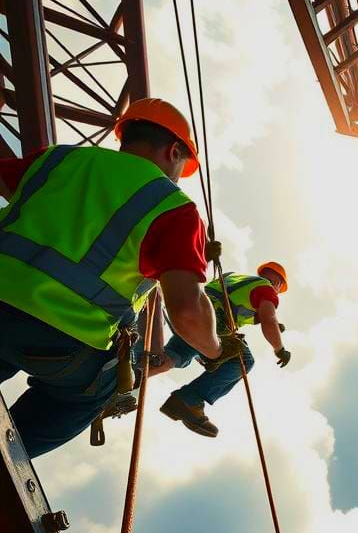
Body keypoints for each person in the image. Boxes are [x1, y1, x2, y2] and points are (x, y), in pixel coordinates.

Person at [0, 98, 238, 457]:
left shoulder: (58, 158)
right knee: (95, 393)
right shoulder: (175, 208)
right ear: (175, 151)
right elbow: (188, 311)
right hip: (66, 338)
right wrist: (216, 350)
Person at [154, 262, 291, 437]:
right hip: (213, 320)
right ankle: (188, 400)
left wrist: (272, 323)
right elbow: (268, 320)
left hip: (190, 311)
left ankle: (126, 379)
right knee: (242, 360)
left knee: (169, 359)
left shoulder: (235, 277)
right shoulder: (267, 290)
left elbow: (238, 301)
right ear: (278, 283)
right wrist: (280, 349)